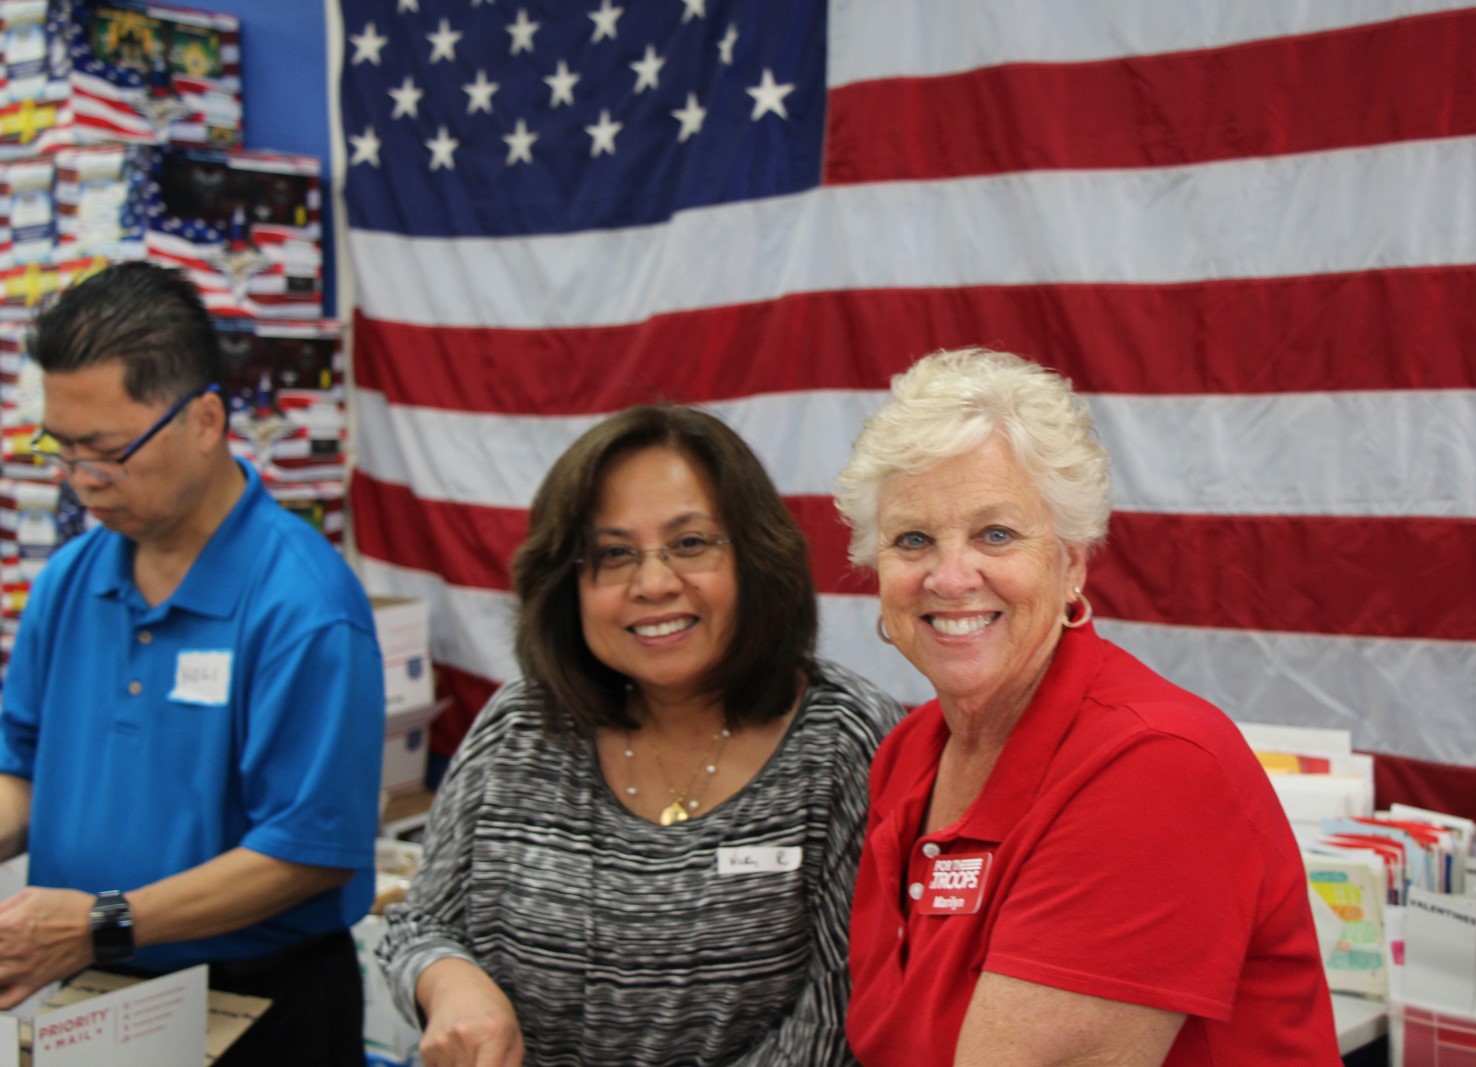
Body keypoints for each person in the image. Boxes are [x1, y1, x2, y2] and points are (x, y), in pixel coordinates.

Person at [835, 348, 1341, 1066]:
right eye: (912, 539)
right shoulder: (909, 753)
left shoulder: (1155, 767)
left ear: (1072, 561)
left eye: (996, 534)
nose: (949, 577)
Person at [379, 405, 903, 1066]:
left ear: (756, 557)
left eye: (690, 543)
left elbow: (843, 1020)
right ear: (568, 581)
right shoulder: (520, 725)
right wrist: (449, 981)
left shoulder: (847, 743)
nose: (653, 583)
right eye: (614, 553)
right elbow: (419, 926)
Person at [0, 262, 383, 1066]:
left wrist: (102, 920)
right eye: (61, 451)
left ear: (204, 420)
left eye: (106, 453)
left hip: (260, 1004)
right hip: (101, 998)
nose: (80, 483)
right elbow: (22, 770)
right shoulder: (70, 581)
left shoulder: (302, 605)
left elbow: (308, 852)